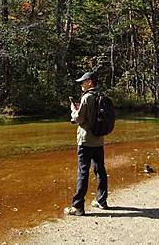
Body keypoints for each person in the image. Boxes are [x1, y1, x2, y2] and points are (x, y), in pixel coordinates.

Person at [63, 71, 108, 216]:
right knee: (100, 170)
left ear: (89, 82)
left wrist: (73, 111)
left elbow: (79, 118)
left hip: (85, 140)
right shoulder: (101, 96)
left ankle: (78, 207)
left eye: (83, 82)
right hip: (99, 140)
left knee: (83, 172)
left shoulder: (87, 97)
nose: (81, 84)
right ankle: (102, 201)